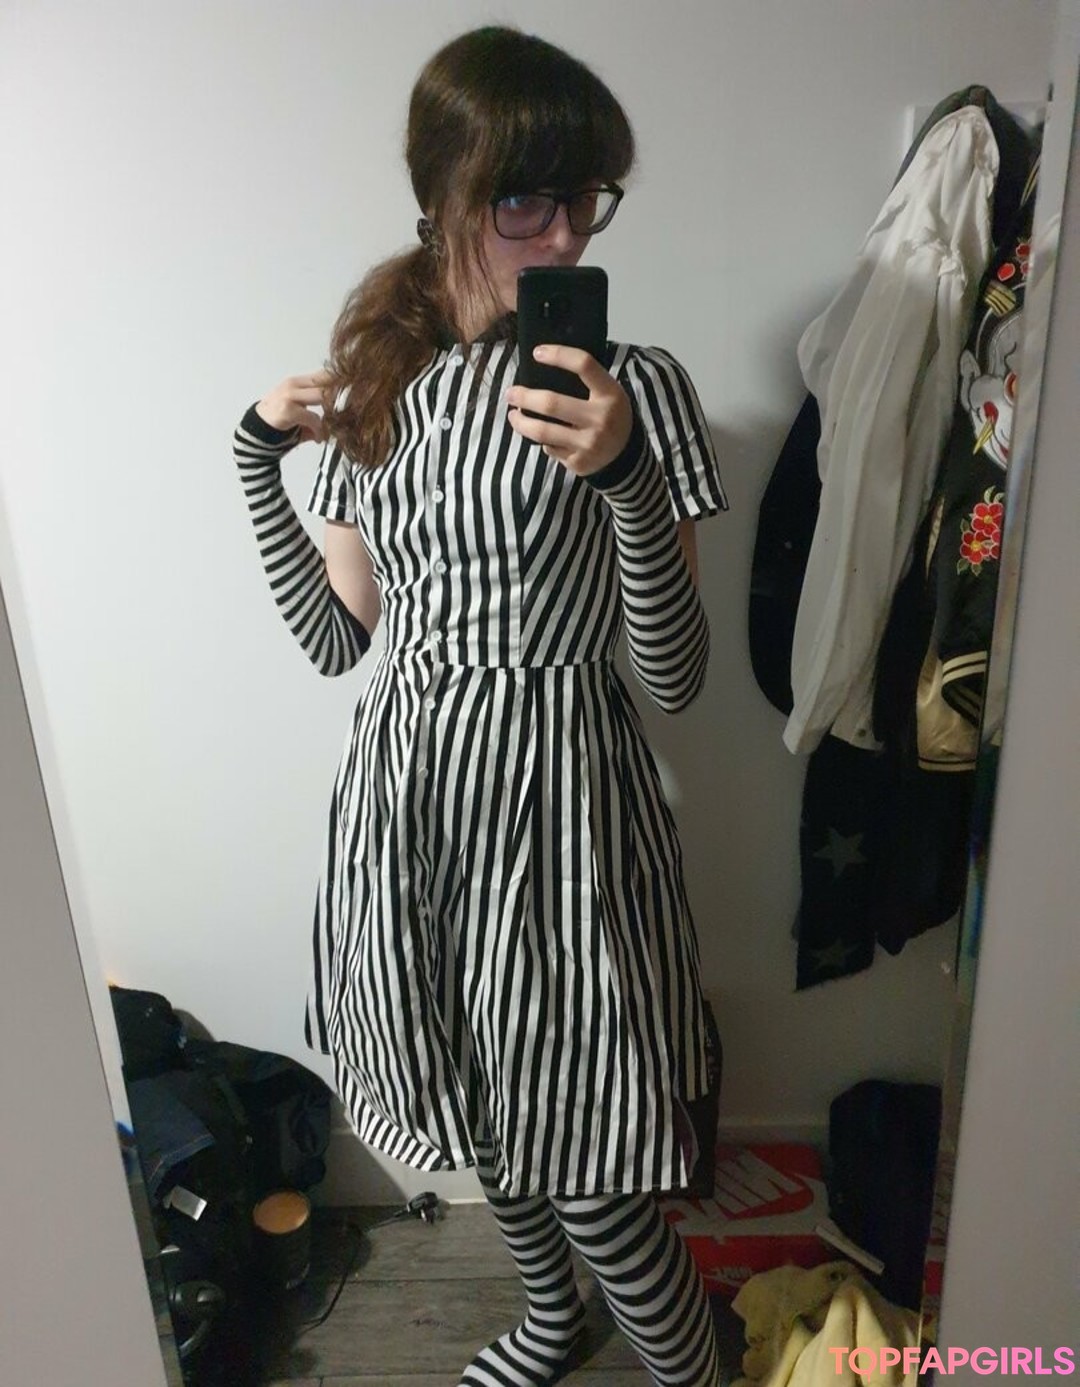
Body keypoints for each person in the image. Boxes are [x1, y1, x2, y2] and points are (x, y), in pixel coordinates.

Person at [233, 25, 727, 1387]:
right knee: (472, 1108)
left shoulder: (636, 388)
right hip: (407, 807)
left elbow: (674, 675)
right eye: (526, 202)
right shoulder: (381, 387)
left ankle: (693, 1371)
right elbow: (336, 642)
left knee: (585, 1161)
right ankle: (555, 1318)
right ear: (443, 197)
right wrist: (257, 466)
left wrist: (626, 479)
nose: (564, 237)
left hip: (561, 810)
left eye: (587, 201)